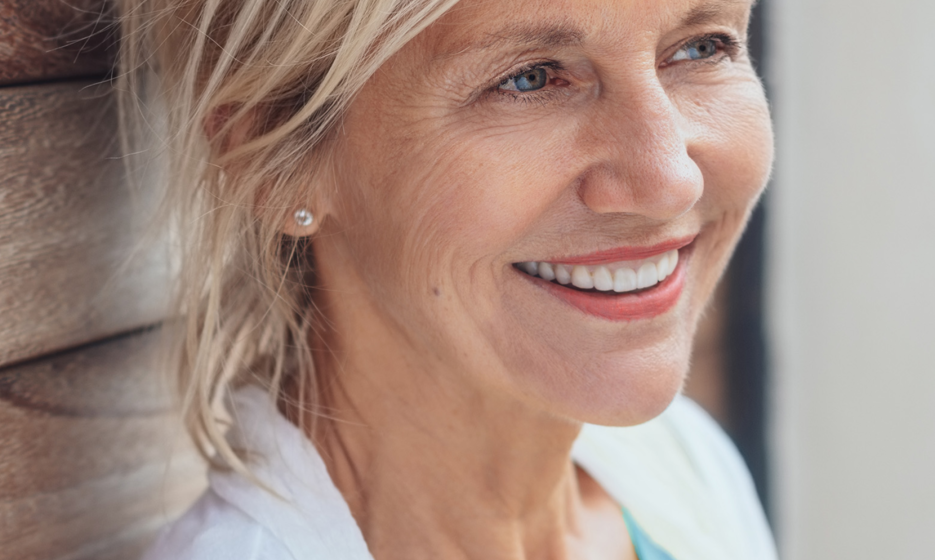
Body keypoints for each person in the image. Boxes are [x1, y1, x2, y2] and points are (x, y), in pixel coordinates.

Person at [120, 0, 776, 557]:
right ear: (273, 158)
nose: (669, 181)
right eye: (528, 79)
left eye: (702, 48)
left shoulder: (681, 468)